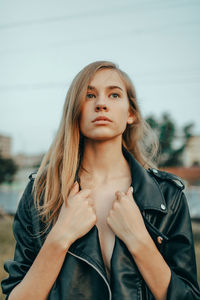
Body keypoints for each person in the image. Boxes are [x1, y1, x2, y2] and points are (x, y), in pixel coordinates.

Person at [1, 61, 200, 300]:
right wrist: (59, 238)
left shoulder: (168, 197)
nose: (101, 104)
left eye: (114, 95)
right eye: (89, 95)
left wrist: (140, 242)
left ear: (131, 113)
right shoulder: (41, 194)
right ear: (75, 110)